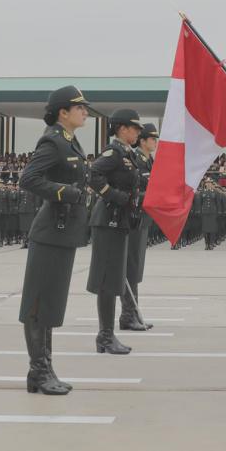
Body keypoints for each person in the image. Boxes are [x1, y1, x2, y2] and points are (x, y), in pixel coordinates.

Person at [18, 86, 91, 395]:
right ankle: (38, 369)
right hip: (50, 231)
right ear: (64, 111)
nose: (85, 111)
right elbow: (29, 179)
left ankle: (43, 370)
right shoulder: (53, 140)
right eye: (80, 106)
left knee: (50, 303)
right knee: (38, 303)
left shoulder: (70, 143)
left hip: (64, 232)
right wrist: (67, 192)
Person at [87, 108, 145, 355]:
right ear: (122, 128)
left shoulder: (127, 154)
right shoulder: (114, 152)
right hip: (108, 219)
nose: (138, 133)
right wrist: (114, 196)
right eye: (135, 128)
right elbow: (92, 173)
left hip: (119, 220)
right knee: (107, 281)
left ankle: (107, 336)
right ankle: (105, 336)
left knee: (113, 279)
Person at [121, 122, 159, 331]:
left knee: (136, 268)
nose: (155, 142)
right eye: (152, 139)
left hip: (142, 217)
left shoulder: (149, 161)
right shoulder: (136, 160)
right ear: (142, 141)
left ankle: (131, 313)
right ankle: (128, 315)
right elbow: (134, 190)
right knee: (131, 268)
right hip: (134, 218)